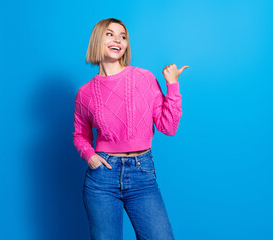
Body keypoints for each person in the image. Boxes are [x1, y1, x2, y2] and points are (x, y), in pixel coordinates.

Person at [72, 18, 189, 240]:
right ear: (97, 39)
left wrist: (172, 85)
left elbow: (168, 126)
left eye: (123, 36)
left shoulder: (143, 78)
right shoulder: (84, 93)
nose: (118, 39)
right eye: (110, 34)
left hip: (141, 174)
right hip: (102, 179)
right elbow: (80, 135)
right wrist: (90, 156)